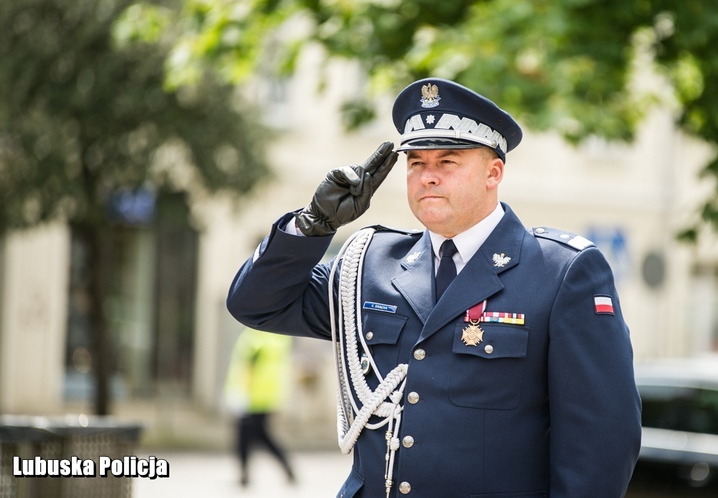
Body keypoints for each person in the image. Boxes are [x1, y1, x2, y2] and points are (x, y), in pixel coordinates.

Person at [227, 78, 641, 497]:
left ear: (493, 172)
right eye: (416, 163)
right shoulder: (371, 263)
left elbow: (602, 442)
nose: (428, 177)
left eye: (447, 162)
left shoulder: (560, 272)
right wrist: (312, 225)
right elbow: (256, 305)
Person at [223, 328, 296, 486]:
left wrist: (239, 393)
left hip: (251, 397)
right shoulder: (279, 338)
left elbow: (245, 369)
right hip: (268, 396)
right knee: (261, 435)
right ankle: (285, 468)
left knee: (246, 436)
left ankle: (244, 475)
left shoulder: (254, 339)